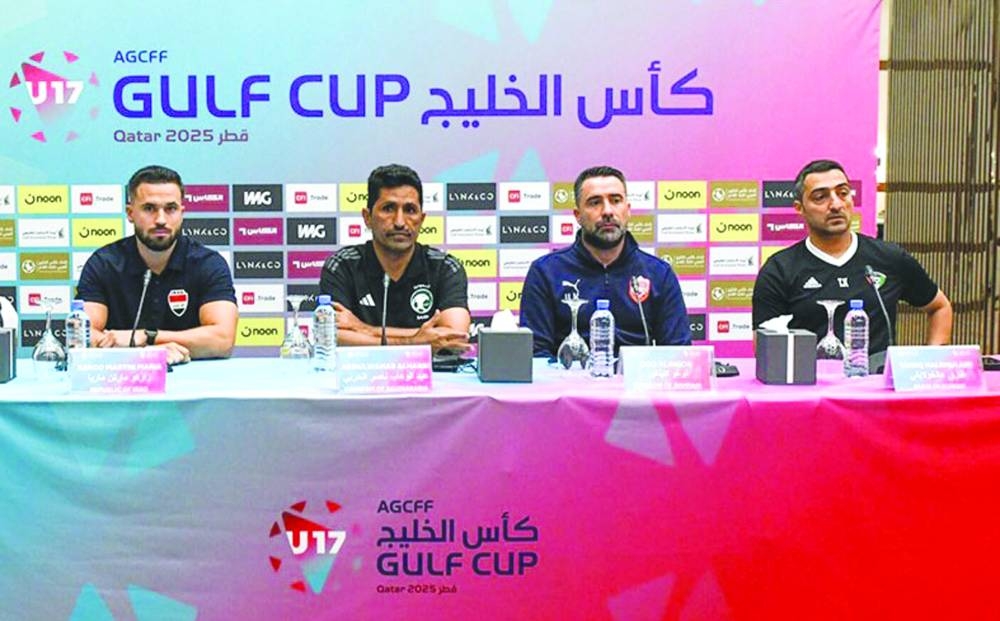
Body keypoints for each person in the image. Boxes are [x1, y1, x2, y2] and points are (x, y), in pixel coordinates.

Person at [752, 158, 952, 360]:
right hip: (807, 379)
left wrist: (931, 361)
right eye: (820, 197)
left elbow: (939, 307)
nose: (836, 205)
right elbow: (764, 348)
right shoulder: (779, 269)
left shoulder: (889, 257)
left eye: (843, 193)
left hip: (876, 377)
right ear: (799, 208)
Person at [520, 165, 691, 357]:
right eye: (595, 202)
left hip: (636, 376)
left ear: (628, 210)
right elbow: (535, 355)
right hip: (568, 376)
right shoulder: (546, 272)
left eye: (615, 200)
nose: (607, 211)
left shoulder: (659, 273)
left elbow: (679, 353)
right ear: (578, 215)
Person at [76, 165, 238, 363]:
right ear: (130, 213)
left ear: (182, 212)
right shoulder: (103, 264)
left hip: (194, 378)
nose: (161, 220)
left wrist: (147, 337)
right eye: (149, 208)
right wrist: (147, 353)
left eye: (170, 209)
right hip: (124, 377)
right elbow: (82, 337)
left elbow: (222, 340)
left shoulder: (208, 264)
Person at [319, 164, 470, 352]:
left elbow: (455, 336)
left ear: (422, 219)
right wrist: (415, 343)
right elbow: (332, 335)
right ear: (367, 217)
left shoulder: (445, 267)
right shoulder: (343, 265)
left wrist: (365, 329)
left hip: (434, 371)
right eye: (388, 208)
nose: (399, 222)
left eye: (410, 210)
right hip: (362, 369)